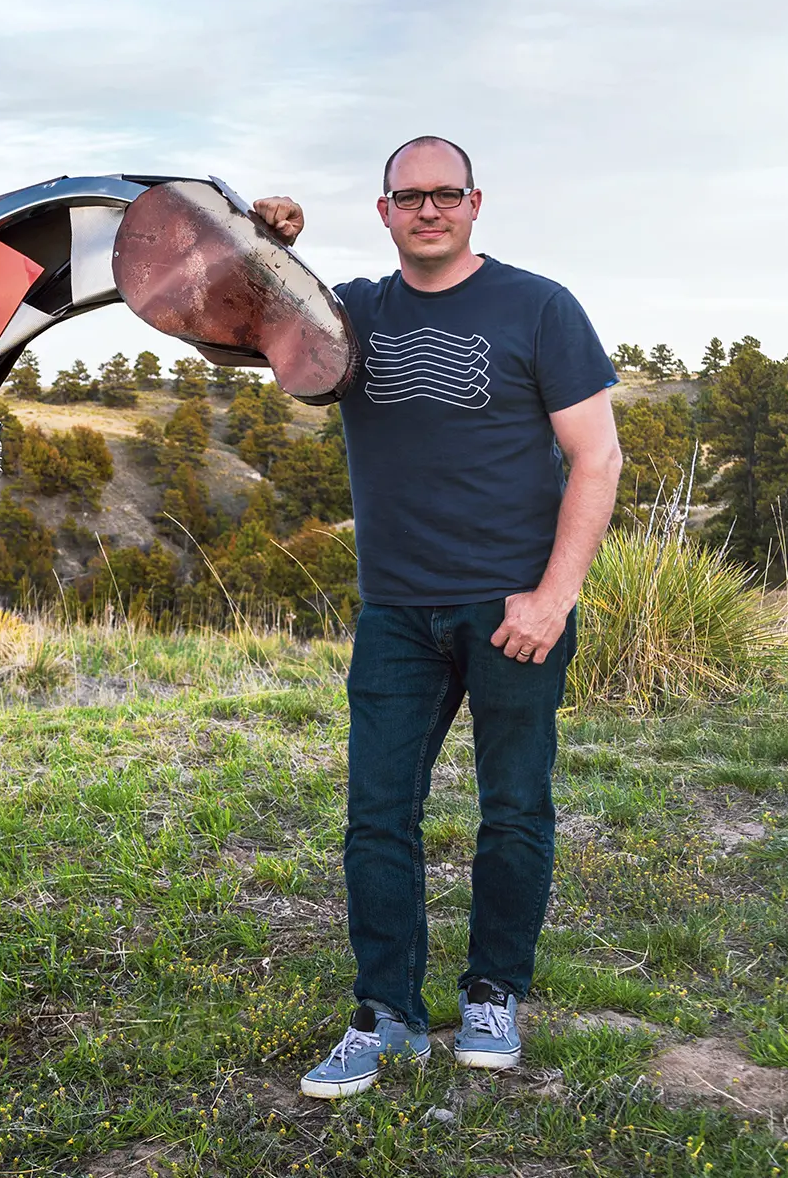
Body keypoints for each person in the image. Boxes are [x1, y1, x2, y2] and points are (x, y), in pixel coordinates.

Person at [252, 138, 622, 1099]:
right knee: (376, 815)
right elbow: (246, 327)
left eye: (444, 194)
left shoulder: (538, 306)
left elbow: (597, 458)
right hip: (395, 614)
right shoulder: (353, 312)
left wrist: (553, 597)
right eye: (407, 197)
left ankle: (493, 991)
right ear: (381, 211)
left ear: (474, 203)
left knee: (513, 810)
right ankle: (386, 1015)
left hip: (511, 610)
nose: (427, 210)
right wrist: (269, 246)